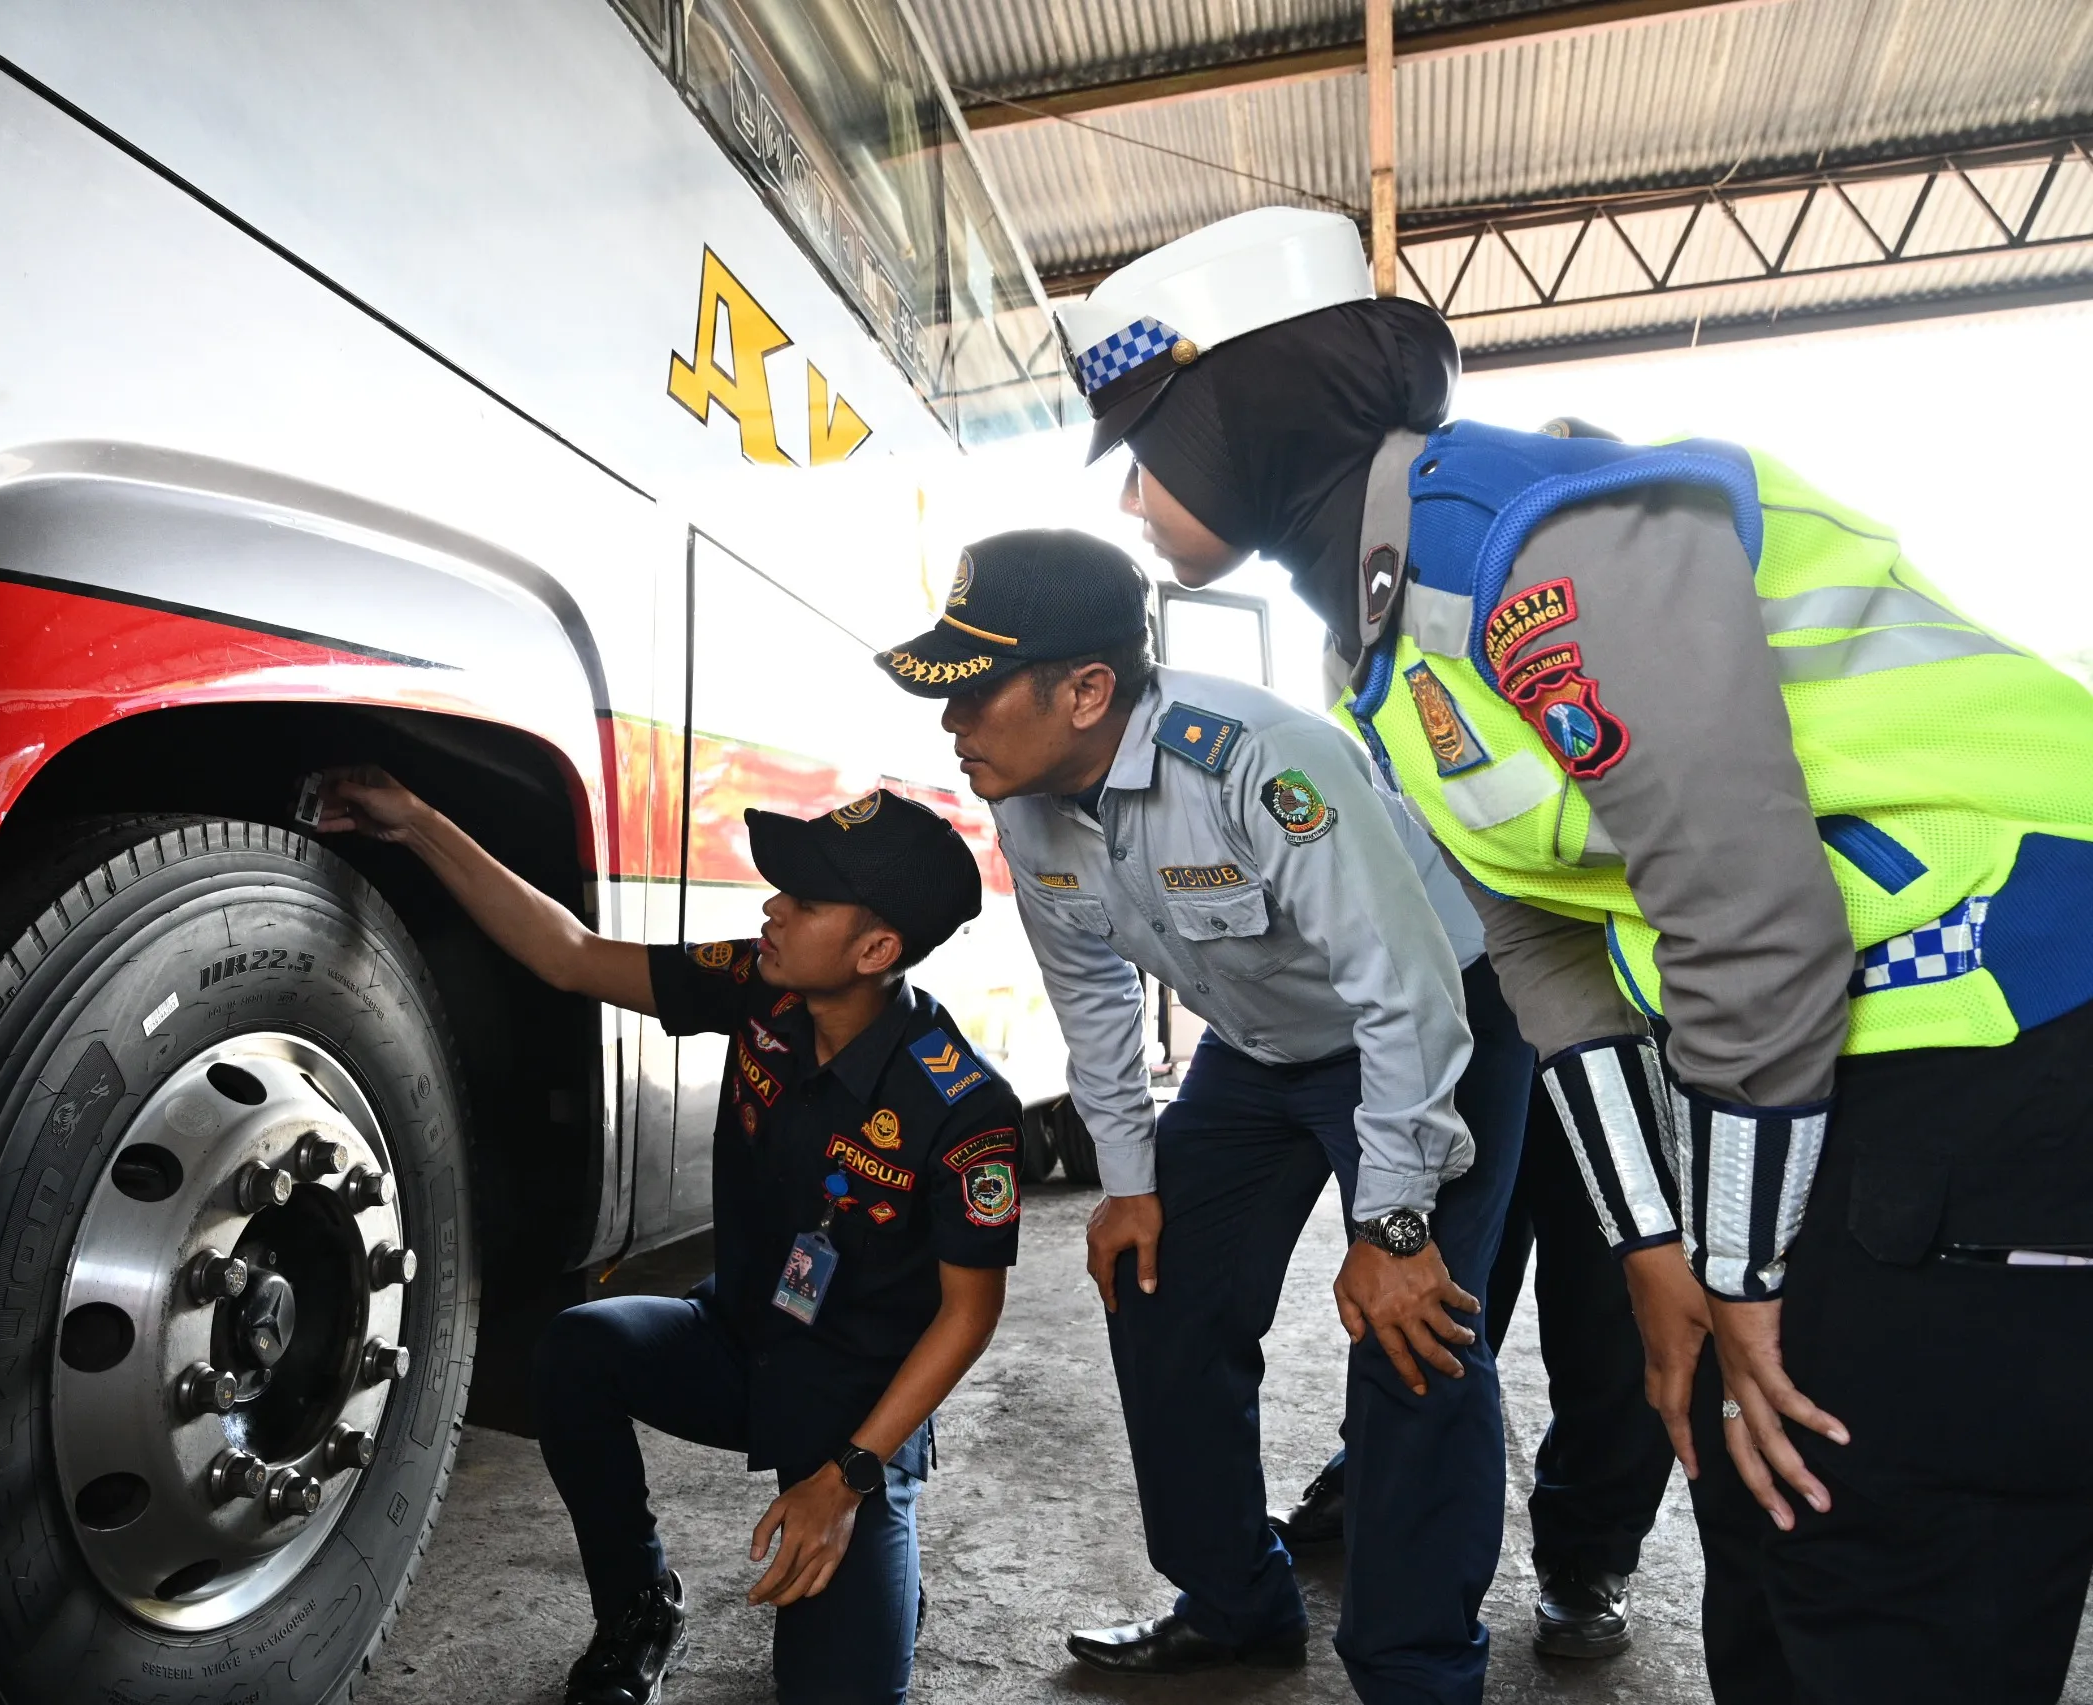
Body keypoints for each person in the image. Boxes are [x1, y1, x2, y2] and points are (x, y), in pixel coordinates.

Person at [1076, 203, 2093, 1702]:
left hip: (2017, 1017)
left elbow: (1755, 925)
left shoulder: (1528, 546)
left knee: (1872, 1530)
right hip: (1867, 1052)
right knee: (1760, 1519)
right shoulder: (1390, 634)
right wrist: (1659, 1255)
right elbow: (1551, 954)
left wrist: (1742, 1278)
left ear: (1250, 408)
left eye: (1148, 447)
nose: (1132, 498)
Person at [876, 529, 1529, 1704]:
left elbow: (1405, 990)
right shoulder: (1031, 809)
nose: (951, 726)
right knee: (1155, 1280)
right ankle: (1233, 1602)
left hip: (1438, 1028)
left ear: (1084, 692)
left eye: (973, 694)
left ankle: (1416, 1669)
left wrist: (1388, 1231)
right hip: (1260, 1051)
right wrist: (1127, 1183)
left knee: (1417, 1331)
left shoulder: (1259, 762)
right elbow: (1094, 1001)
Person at [315, 770, 1021, 1705]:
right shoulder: (764, 989)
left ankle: (883, 1572)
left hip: (852, 1414)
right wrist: (417, 821)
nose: (772, 907)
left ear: (875, 947)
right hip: (738, 1341)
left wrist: (846, 1480)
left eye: (803, 900)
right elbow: (568, 953)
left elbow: (968, 1318)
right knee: (579, 1350)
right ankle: (639, 1603)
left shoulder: (961, 1111)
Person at [1270, 1076, 1679, 1661]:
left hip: (1616, 1035)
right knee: (1441, 1271)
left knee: (1608, 1295)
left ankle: (1589, 1547)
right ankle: (1377, 1470)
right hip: (1479, 1009)